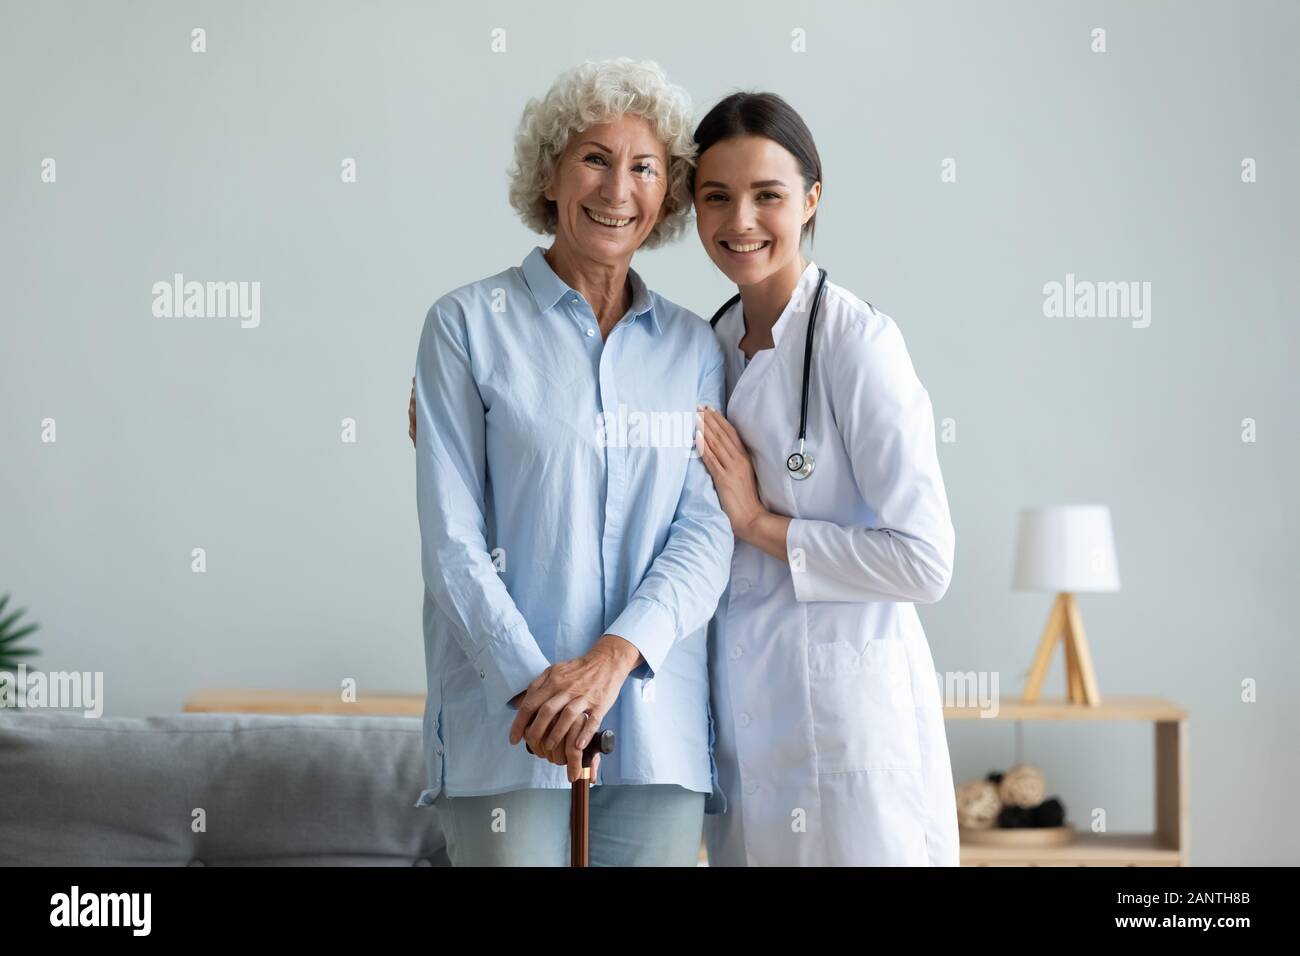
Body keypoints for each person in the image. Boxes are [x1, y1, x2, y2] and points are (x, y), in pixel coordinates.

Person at [409, 58, 733, 866]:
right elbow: (451, 540)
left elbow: (705, 534)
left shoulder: (695, 346)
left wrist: (613, 661)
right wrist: (537, 689)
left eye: (645, 167)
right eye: (594, 157)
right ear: (550, 175)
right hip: (509, 725)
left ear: (667, 195)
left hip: (654, 728)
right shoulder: (463, 326)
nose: (618, 188)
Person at [690, 91, 960, 865]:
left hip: (850, 731)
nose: (741, 220)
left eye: (767, 195)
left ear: (810, 199)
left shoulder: (856, 342)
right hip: (745, 727)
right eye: (717, 196)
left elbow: (925, 560)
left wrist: (759, 526)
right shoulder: (706, 346)